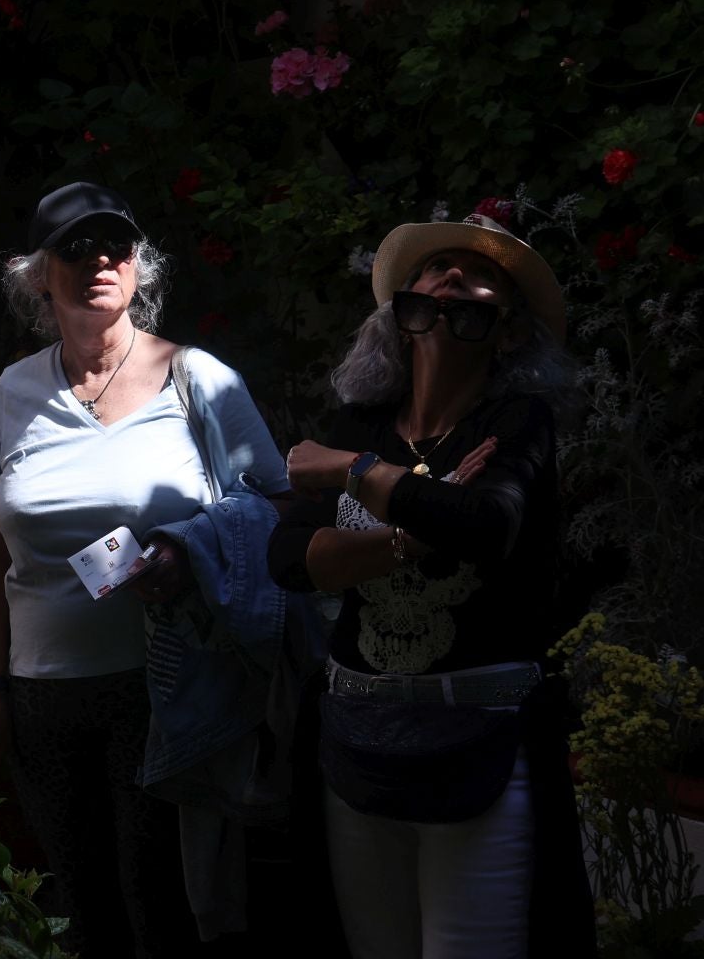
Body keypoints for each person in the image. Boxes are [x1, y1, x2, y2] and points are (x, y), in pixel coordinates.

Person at [0, 181, 291, 958]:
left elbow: (277, 509)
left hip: (165, 689)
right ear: (39, 275)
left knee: (162, 912)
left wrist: (188, 549)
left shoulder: (197, 379)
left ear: (139, 267)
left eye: (117, 245)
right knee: (80, 916)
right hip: (42, 702)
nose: (100, 261)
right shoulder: (16, 388)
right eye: (76, 248)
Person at [267, 212, 591, 959]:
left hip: (478, 746)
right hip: (356, 741)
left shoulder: (516, 423)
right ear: (400, 313)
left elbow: (488, 523)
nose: (452, 275)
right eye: (436, 267)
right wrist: (414, 532)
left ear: (508, 327)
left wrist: (352, 473)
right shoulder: (362, 420)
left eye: (480, 276)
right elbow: (289, 558)